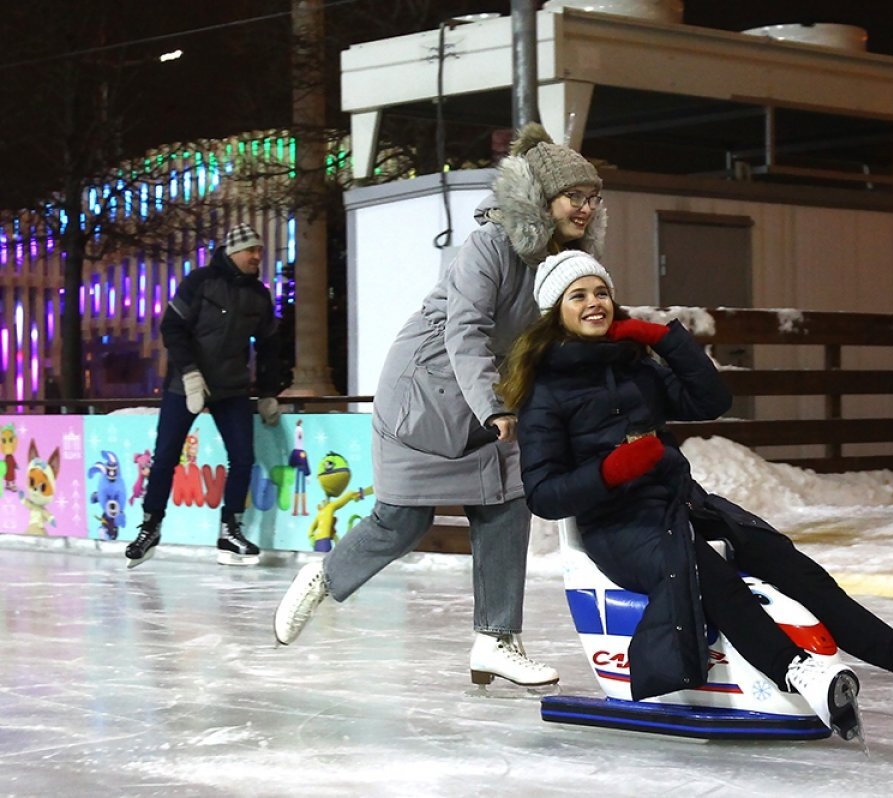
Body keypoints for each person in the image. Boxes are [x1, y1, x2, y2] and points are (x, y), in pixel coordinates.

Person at [499, 250, 893, 741]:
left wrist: (664, 339)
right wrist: (614, 468)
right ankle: (800, 672)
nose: (595, 303)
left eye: (600, 292)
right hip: (618, 530)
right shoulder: (546, 394)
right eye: (579, 295)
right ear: (555, 311)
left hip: (680, 506)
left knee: (790, 565)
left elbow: (711, 398)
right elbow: (544, 495)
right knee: (710, 573)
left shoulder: (633, 366)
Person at [272, 123, 607, 688]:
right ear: (544, 198)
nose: (587, 207)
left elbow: (571, 330)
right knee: (403, 520)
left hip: (491, 394)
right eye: (576, 196)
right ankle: (323, 577)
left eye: (593, 197)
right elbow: (465, 331)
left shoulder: (562, 259)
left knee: (508, 501)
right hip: (427, 390)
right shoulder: (490, 245)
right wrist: (495, 407)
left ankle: (496, 640)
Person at [125, 223, 286, 568]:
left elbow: (271, 346)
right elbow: (171, 327)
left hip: (231, 388)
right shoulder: (199, 282)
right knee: (166, 456)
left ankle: (230, 529)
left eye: (260, 250)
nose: (258, 256)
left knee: (243, 458)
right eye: (251, 250)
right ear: (233, 252)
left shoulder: (259, 295)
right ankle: (150, 526)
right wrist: (190, 373)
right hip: (185, 385)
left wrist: (270, 391)